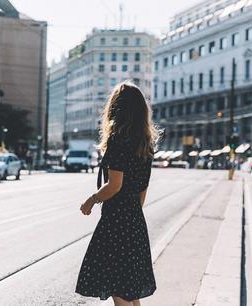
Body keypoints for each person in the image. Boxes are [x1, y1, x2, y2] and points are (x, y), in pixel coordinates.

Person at [76, 81, 160, 306]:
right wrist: (133, 213)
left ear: (116, 108)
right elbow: (143, 189)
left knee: (118, 288)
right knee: (130, 288)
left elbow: (115, 185)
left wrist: (92, 200)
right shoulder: (145, 143)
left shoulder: (118, 139)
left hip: (117, 221)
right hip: (134, 218)